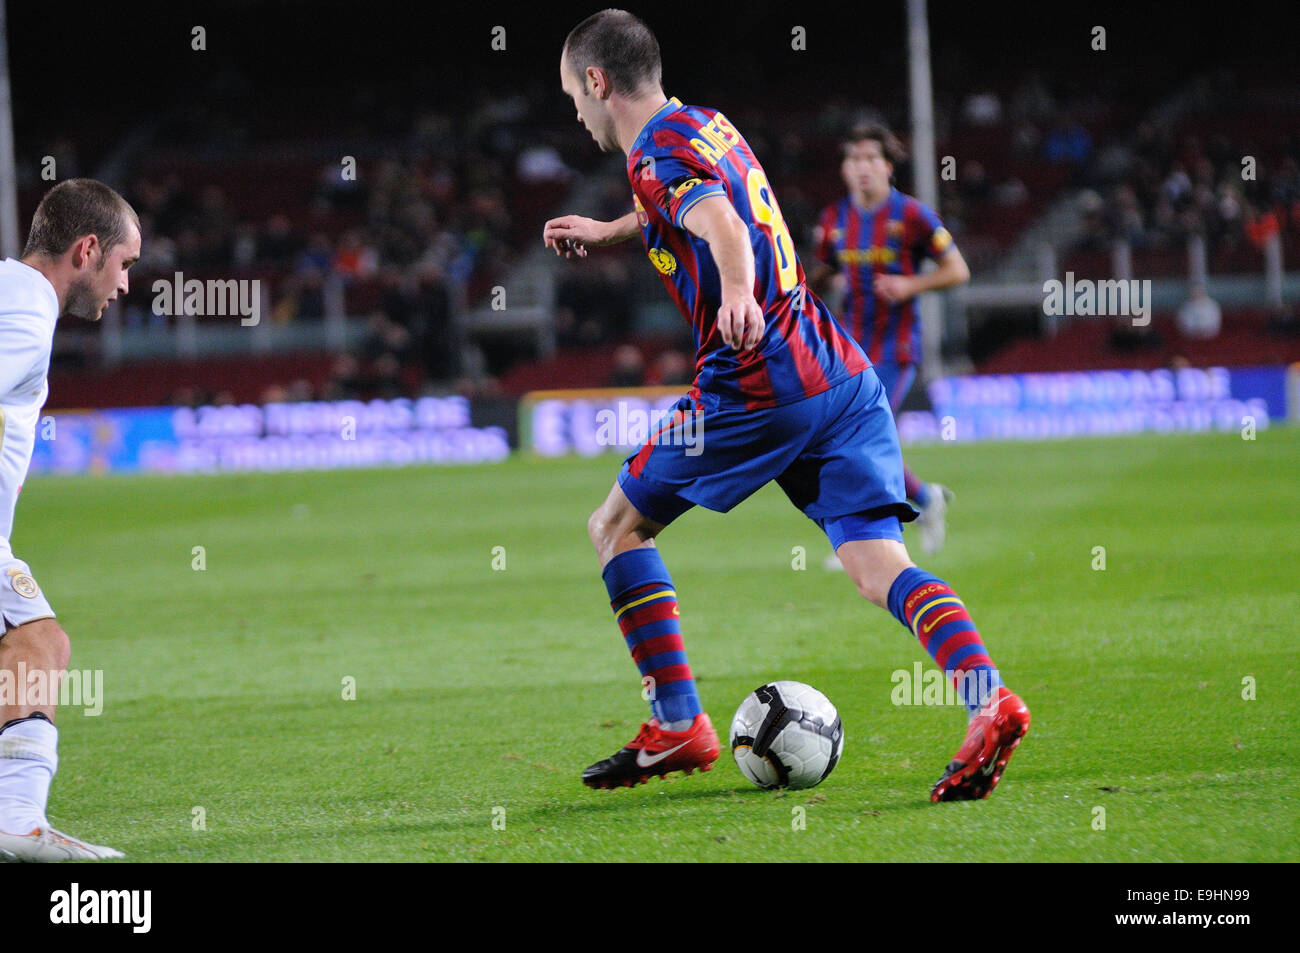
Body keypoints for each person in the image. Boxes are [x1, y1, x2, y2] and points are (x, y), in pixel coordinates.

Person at [543, 10, 1028, 801]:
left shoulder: (652, 153)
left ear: (598, 81)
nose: (575, 111)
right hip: (840, 371)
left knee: (615, 527)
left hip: (758, 385)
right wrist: (611, 231)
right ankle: (989, 700)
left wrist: (735, 290)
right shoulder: (705, 126)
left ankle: (678, 725)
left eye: (572, 94)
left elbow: (723, 222)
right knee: (879, 566)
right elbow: (691, 201)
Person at [0, 179, 140, 860]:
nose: (125, 284)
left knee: (30, 648)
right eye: (125, 263)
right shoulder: (25, 315)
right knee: (38, 643)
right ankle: (16, 821)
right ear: (87, 249)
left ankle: (16, 818)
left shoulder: (11, 296)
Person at [810, 123, 971, 561]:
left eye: (869, 159)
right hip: (848, 350)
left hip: (895, 349)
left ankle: (863, 541)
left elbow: (958, 270)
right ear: (845, 169)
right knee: (846, 440)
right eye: (853, 159)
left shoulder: (914, 216)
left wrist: (910, 285)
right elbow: (820, 274)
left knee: (857, 438)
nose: (861, 168)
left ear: (887, 166)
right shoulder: (833, 221)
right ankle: (924, 499)